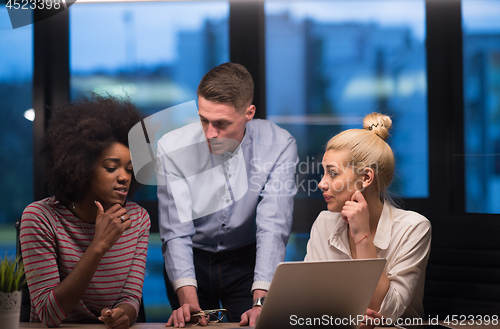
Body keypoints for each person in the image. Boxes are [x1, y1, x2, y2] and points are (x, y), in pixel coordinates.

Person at [157, 62, 298, 327]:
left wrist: (260, 302)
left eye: (222, 124)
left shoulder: (279, 146)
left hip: (246, 260)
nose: (210, 134)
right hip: (191, 258)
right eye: (203, 120)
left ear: (249, 113)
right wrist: (188, 300)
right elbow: (176, 230)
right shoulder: (172, 147)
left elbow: (273, 226)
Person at [20, 95, 151, 328]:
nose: (123, 177)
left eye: (130, 170)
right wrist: (99, 246)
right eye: (111, 167)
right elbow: (49, 315)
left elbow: (131, 298)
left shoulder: (137, 219)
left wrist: (124, 315)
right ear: (82, 167)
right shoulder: (40, 218)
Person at [304, 112, 431, 323]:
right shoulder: (324, 222)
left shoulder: (414, 228)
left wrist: (362, 235)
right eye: (323, 172)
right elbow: (309, 300)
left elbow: (383, 313)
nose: (322, 183)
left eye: (332, 173)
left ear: (366, 178)